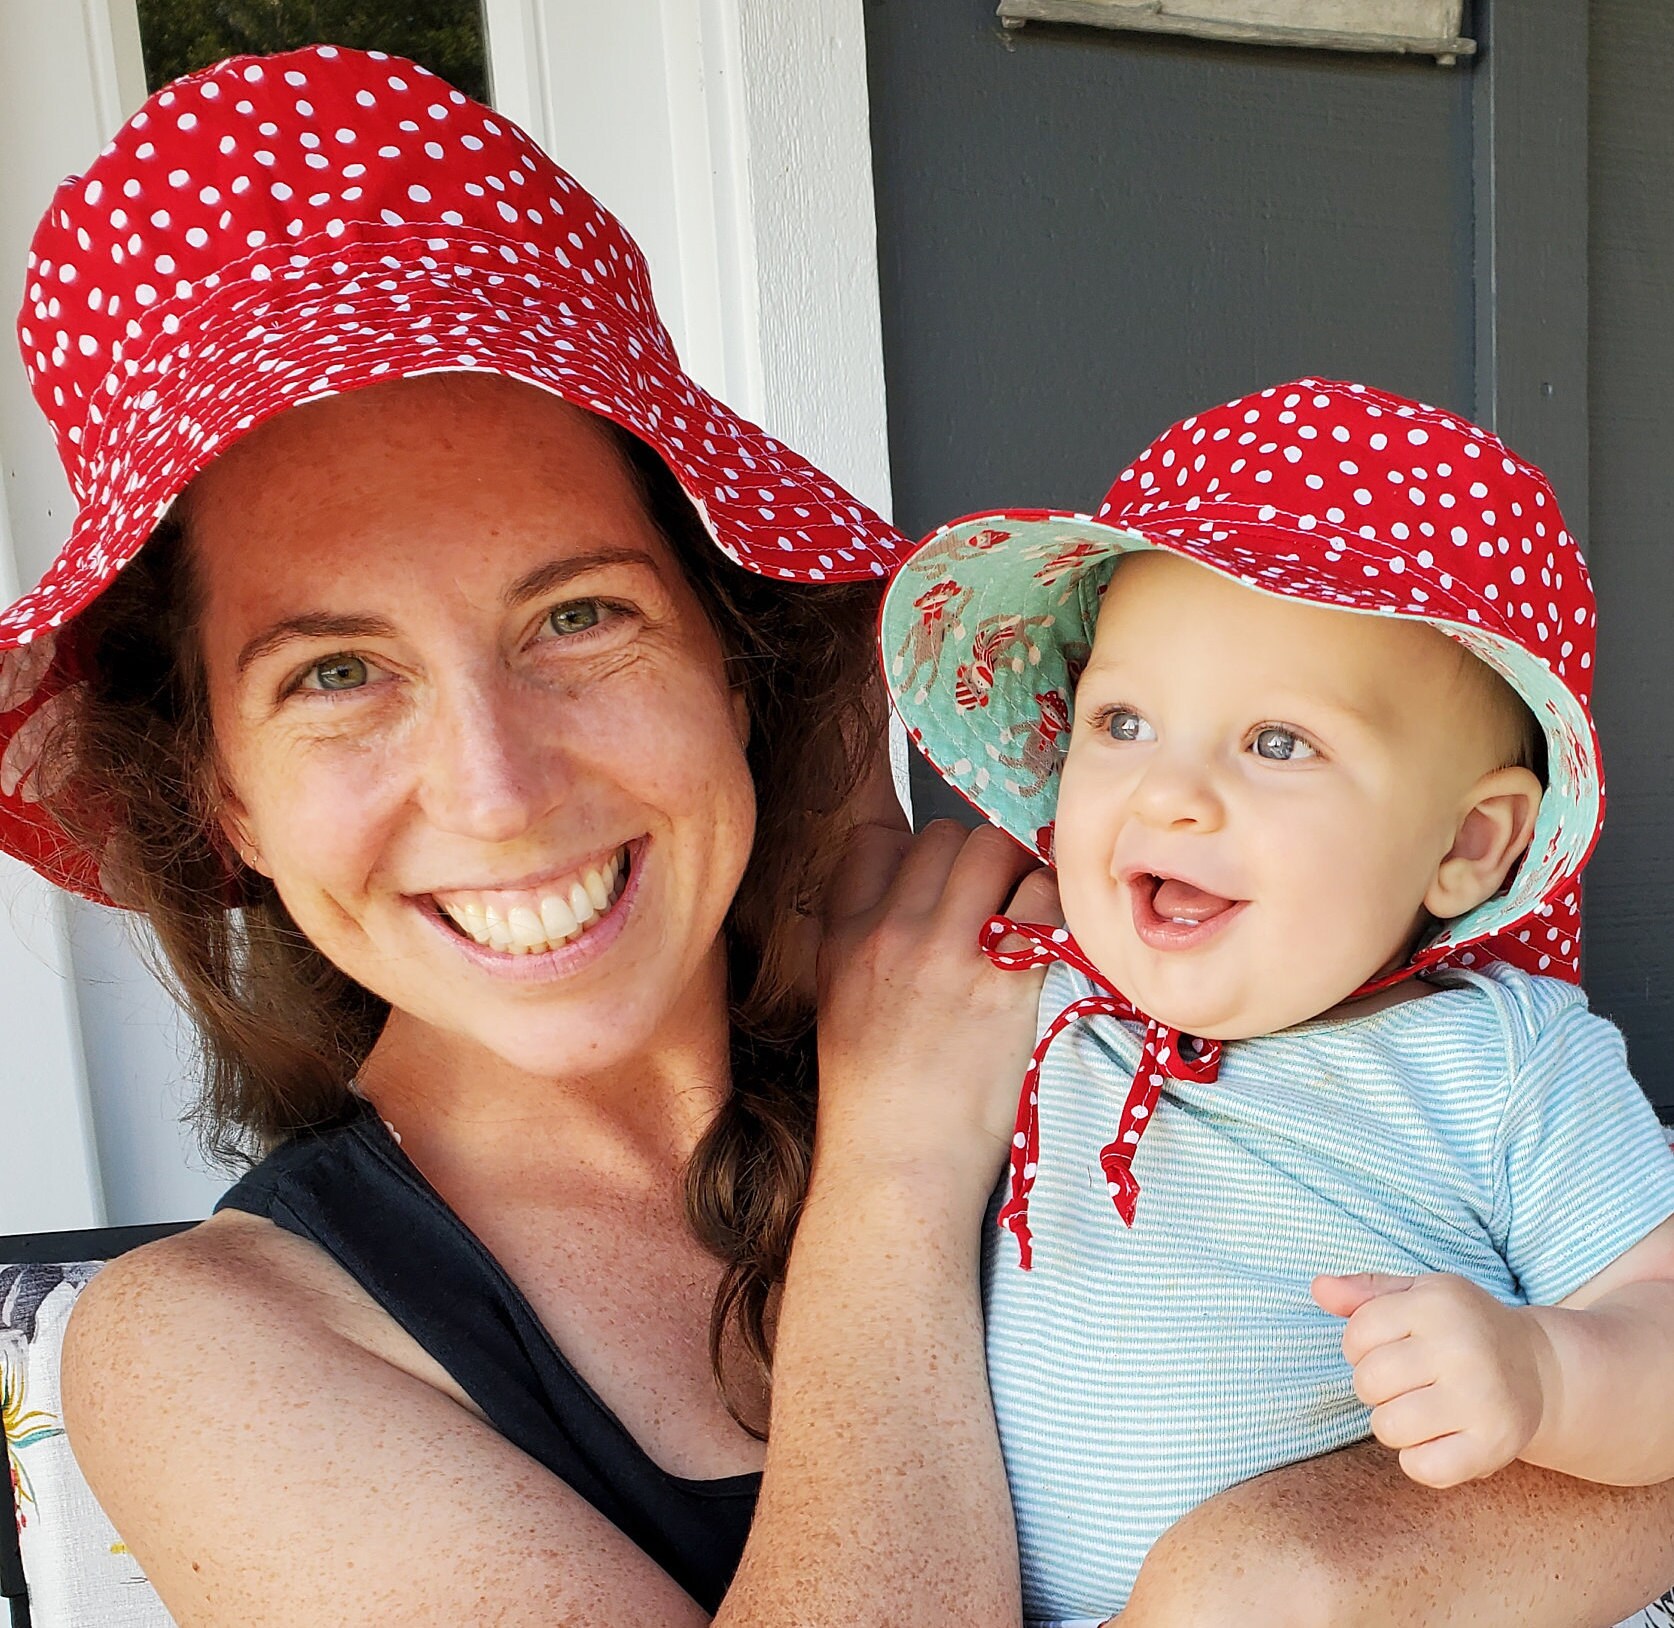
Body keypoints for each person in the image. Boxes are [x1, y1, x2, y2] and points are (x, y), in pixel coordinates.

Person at [3, 46, 1672, 1625]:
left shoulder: (1105, 970)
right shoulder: (216, 1351)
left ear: (731, 657)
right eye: (337, 672)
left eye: (579, 615)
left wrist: (1308, 1559)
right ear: (215, 787)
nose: (497, 788)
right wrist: (888, 1167)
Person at [880, 377, 1674, 1626]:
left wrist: (1550, 1375)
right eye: (1124, 719)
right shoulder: (1028, 1006)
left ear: (1468, 840)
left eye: (1279, 743)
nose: (1172, 795)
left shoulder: (1500, 1058)